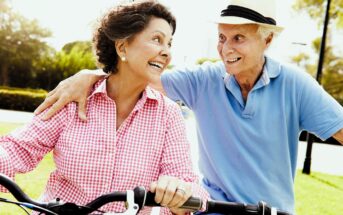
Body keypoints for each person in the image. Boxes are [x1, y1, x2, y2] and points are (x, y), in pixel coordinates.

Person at [34, 0, 343, 214]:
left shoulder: (295, 85)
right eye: (222, 38)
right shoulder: (205, 79)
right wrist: (90, 75)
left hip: (270, 212)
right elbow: (142, 73)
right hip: (212, 210)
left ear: (267, 41)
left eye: (239, 38)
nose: (226, 49)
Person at [0, 2, 210, 214]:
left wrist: (178, 192)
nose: (166, 53)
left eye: (169, 44)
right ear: (122, 47)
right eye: (157, 39)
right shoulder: (74, 98)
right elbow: (17, 148)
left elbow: (192, 188)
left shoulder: (168, 114)